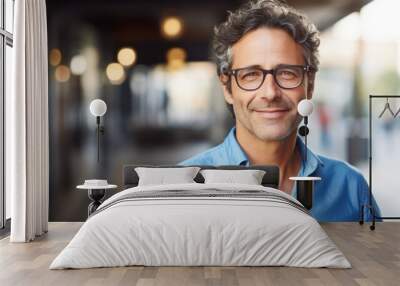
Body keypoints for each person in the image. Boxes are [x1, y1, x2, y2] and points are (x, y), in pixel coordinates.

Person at [180, 0, 380, 222]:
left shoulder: (350, 189)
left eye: (287, 73)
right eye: (251, 74)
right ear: (227, 88)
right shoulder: (181, 187)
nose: (270, 92)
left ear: (310, 84)